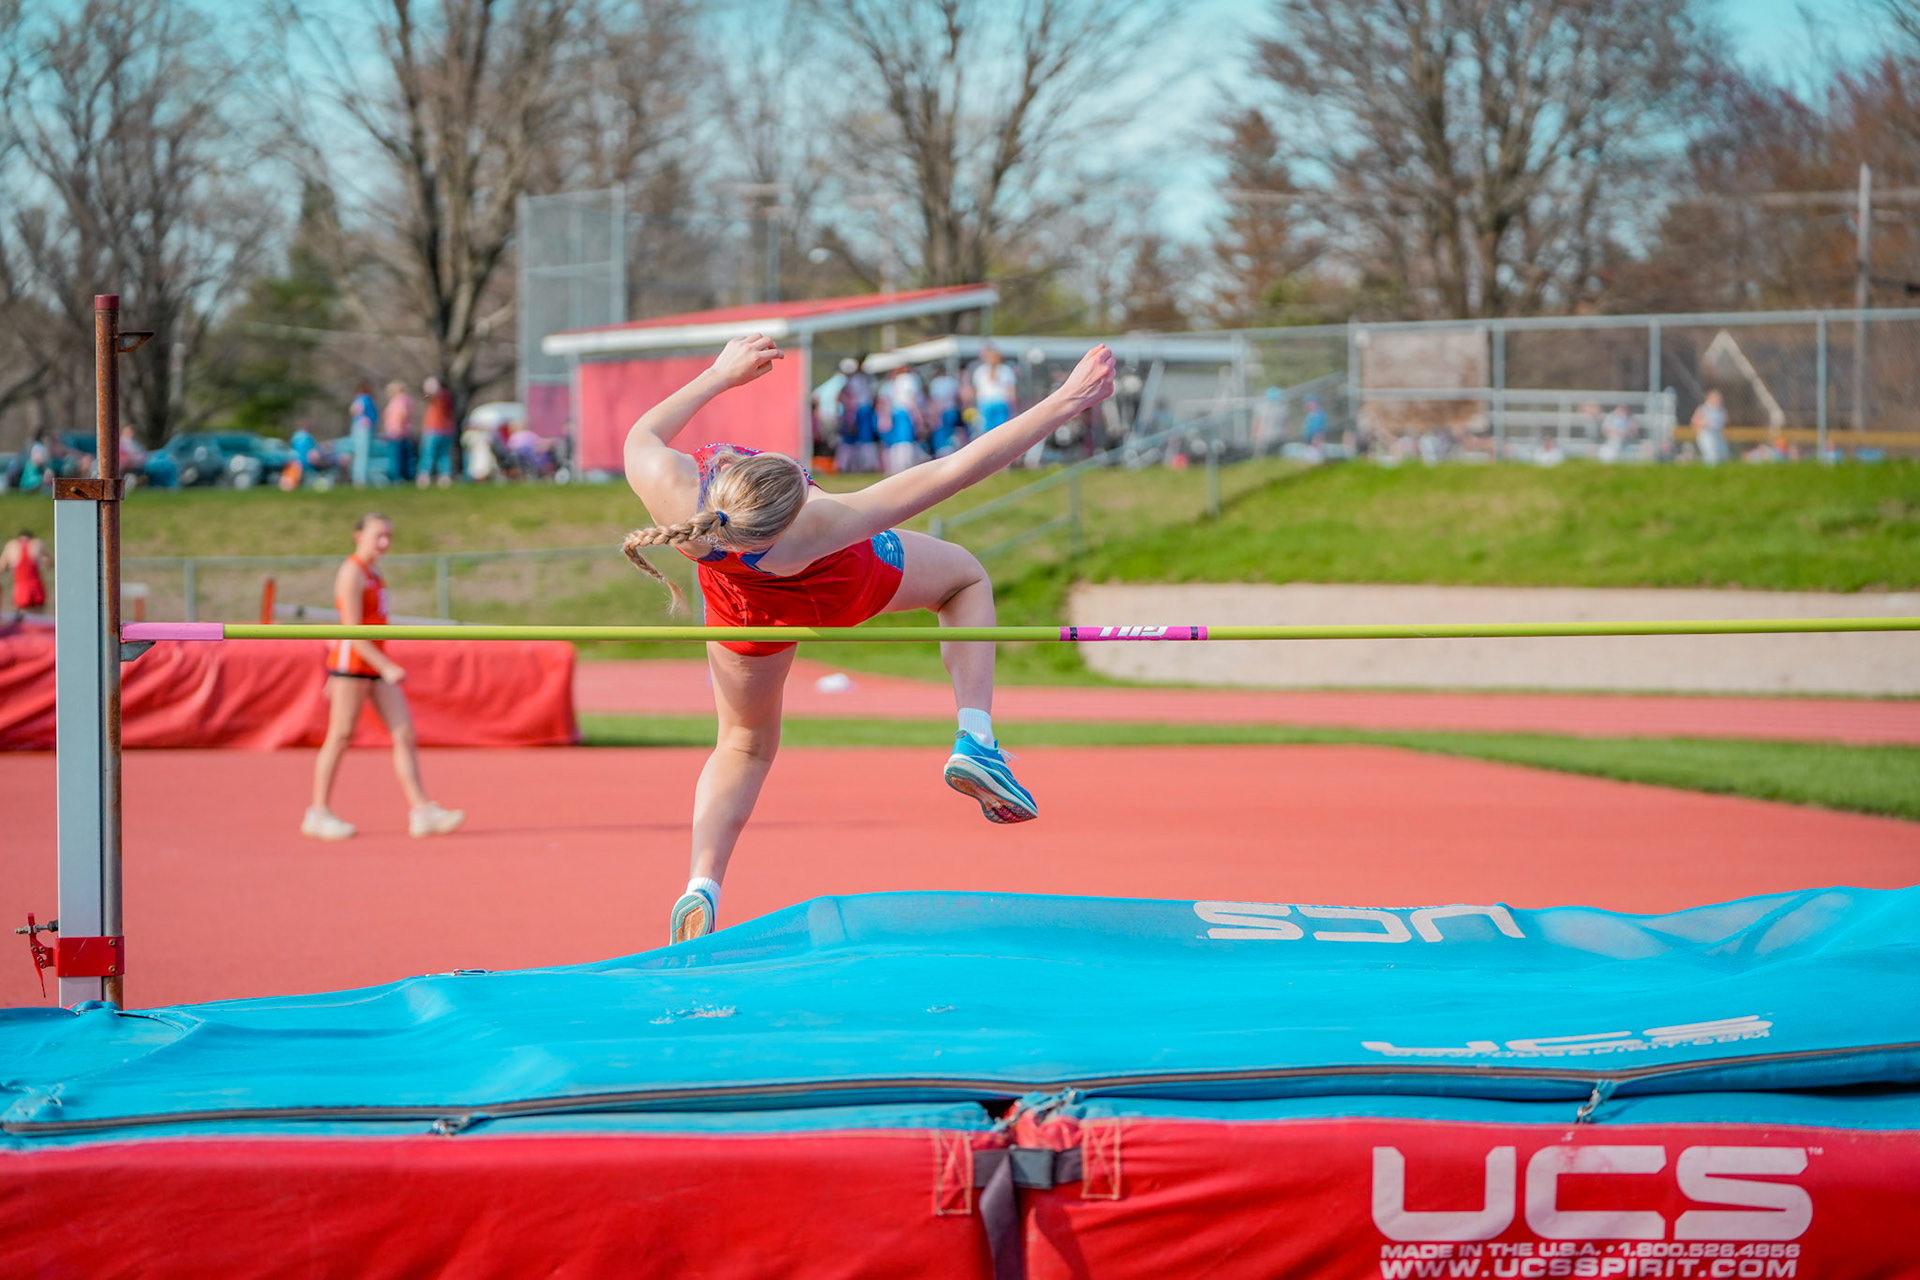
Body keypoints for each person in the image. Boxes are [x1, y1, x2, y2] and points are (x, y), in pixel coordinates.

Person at [620, 333, 1116, 943]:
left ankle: (702, 885)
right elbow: (958, 469)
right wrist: (1067, 400)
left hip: (740, 607)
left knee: (742, 745)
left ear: (723, 471)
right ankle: (977, 738)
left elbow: (640, 433)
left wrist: (720, 375)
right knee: (964, 579)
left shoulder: (670, 487)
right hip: (838, 586)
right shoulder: (817, 524)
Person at [303, 512, 465, 842]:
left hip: (374, 664)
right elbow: (351, 631)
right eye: (378, 535)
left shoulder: (374, 573)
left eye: (388, 536)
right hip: (354, 663)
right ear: (358, 536)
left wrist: (382, 664)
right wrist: (386, 666)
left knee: (403, 732)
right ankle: (318, 812)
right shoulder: (352, 572)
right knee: (340, 735)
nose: (384, 542)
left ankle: (421, 811)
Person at [835, 356, 879, 473]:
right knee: (860, 439)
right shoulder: (855, 380)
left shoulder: (854, 380)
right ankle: (857, 465)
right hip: (857, 411)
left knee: (860, 439)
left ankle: (859, 465)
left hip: (858, 411)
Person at [882, 364, 926, 474]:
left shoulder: (896, 380)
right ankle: (905, 464)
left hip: (896, 410)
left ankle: (897, 465)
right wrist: (918, 414)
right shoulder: (909, 379)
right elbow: (911, 398)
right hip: (906, 411)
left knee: (898, 440)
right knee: (906, 439)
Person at [969, 345, 1017, 434]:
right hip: (986, 402)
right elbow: (976, 390)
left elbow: (1010, 389)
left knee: (1000, 429)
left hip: (999, 402)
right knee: (989, 430)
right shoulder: (981, 371)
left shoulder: (1005, 370)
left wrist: (1012, 405)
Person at [419, 376, 456, 488]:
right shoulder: (449, 395)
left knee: (428, 454)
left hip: (434, 429)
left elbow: (426, 397)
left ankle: (425, 475)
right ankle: (445, 476)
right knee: (444, 455)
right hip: (447, 429)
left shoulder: (438, 396)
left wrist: (428, 390)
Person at [2, 528, 48, 617]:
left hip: (21, 588)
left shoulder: (11, 545)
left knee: (23, 619)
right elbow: (51, 561)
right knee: (39, 618)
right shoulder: (37, 543)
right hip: (36, 586)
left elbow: (2, 567)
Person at [381, 380, 415, 483]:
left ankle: (397, 477)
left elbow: (401, 414)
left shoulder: (399, 400)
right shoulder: (404, 400)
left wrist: (398, 427)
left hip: (396, 432)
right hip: (400, 432)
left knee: (396, 457)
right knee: (402, 456)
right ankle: (403, 476)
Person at [927, 365, 964, 456]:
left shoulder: (936, 383)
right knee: (953, 433)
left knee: (943, 434)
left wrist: (935, 416)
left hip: (942, 412)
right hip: (952, 410)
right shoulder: (951, 381)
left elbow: (936, 400)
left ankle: (944, 453)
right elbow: (957, 397)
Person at [348, 382, 378, 487]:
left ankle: (358, 479)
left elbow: (353, 410)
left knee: (359, 455)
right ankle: (360, 479)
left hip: (359, 428)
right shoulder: (367, 400)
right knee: (362, 455)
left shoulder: (361, 399)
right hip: (365, 428)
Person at [1692, 390, 1728, 467]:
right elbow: (1694, 422)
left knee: (1723, 454)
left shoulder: (1721, 410)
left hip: (1718, 435)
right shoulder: (1703, 409)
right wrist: (1704, 424)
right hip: (1706, 435)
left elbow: (1726, 423)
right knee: (1711, 455)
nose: (1717, 400)